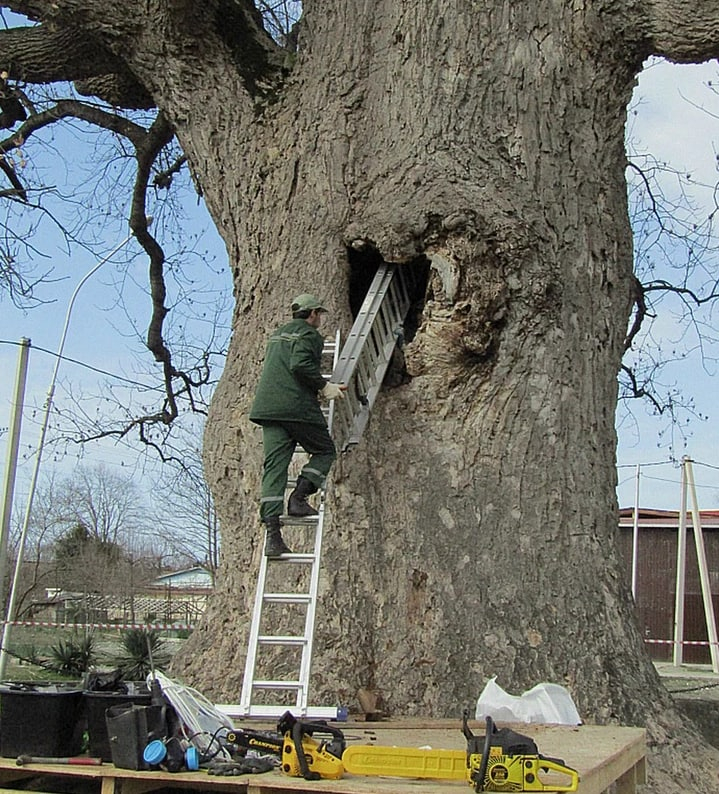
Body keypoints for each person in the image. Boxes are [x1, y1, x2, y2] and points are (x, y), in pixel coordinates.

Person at [250, 294, 347, 557]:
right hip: (296, 407)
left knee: (274, 469)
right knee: (325, 451)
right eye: (319, 313)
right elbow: (300, 365)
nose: (319, 318)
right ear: (312, 313)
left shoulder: (276, 336)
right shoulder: (310, 335)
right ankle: (299, 497)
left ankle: (273, 536)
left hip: (268, 410)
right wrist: (325, 386)